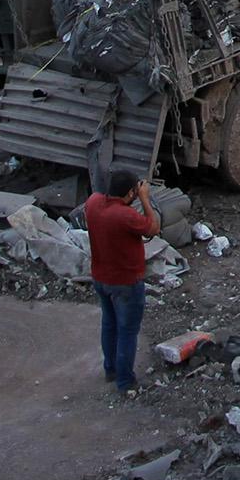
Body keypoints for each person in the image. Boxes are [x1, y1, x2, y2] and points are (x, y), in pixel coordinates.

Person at [85, 169, 158, 395]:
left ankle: (111, 369)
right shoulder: (125, 216)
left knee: (110, 324)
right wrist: (145, 198)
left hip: (101, 277)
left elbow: (107, 200)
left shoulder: (93, 203)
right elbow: (152, 229)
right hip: (126, 282)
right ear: (130, 193)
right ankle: (126, 382)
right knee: (127, 331)